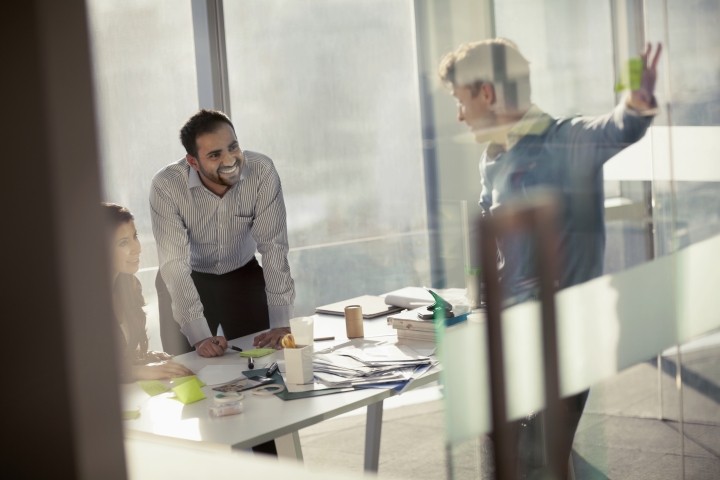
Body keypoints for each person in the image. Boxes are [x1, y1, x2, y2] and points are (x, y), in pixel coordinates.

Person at [438, 38, 662, 478]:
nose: (459, 116)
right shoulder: (494, 158)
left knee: (532, 461)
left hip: (566, 338)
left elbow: (618, 128)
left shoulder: (565, 141)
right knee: (509, 457)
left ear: (486, 93)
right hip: (515, 335)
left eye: (460, 101)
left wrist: (635, 105)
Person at [150, 109, 295, 359]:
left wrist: (281, 322)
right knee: (187, 369)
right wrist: (199, 335)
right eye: (215, 155)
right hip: (186, 277)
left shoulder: (262, 171)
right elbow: (174, 264)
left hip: (242, 275)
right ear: (193, 161)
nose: (229, 161)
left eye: (233, 147)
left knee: (262, 357)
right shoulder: (167, 185)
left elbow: (274, 247)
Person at [102, 202, 194, 382]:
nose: (137, 248)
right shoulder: (82, 301)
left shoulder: (130, 285)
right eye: (123, 242)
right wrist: (139, 371)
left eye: (134, 237)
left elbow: (120, 358)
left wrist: (146, 358)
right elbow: (89, 370)